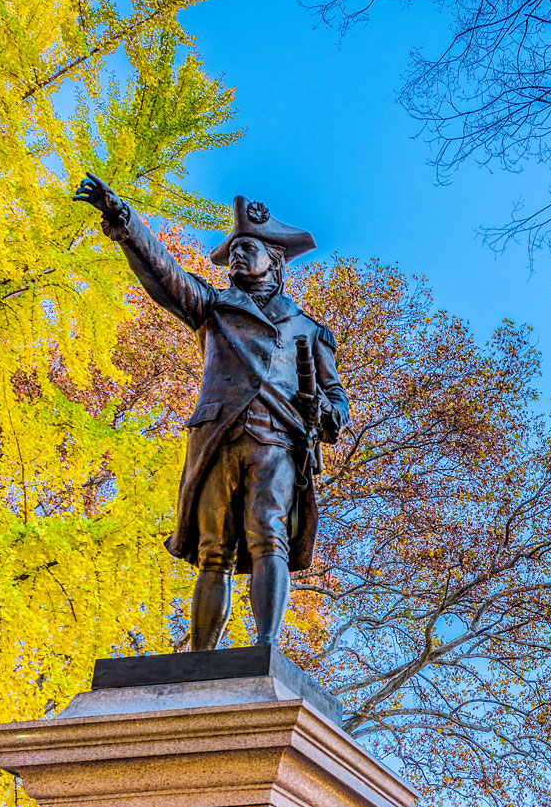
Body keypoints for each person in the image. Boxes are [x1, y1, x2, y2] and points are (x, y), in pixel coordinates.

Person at [72, 175, 347, 651]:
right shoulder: (212, 307)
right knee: (212, 551)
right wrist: (124, 220)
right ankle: (200, 656)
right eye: (233, 248)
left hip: (277, 443)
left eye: (248, 247)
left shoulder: (309, 330)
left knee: (269, 537)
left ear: (275, 261)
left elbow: (337, 403)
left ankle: (265, 645)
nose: (236, 253)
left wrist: (322, 408)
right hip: (218, 437)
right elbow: (165, 275)